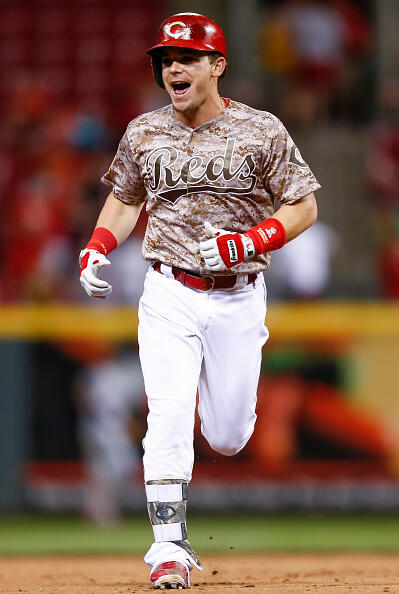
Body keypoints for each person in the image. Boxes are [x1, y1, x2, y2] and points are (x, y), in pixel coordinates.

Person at [79, 12, 320, 590]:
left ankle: (179, 522)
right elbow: (125, 199)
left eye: (186, 57)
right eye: (166, 59)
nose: (174, 67)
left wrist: (254, 238)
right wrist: (96, 245)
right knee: (166, 415)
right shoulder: (143, 132)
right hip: (167, 291)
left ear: (217, 65)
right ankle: (168, 548)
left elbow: (304, 206)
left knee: (230, 435)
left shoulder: (261, 130)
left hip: (238, 297)